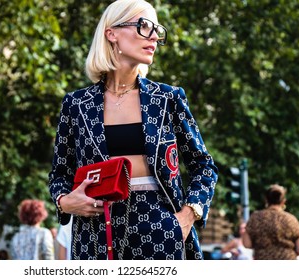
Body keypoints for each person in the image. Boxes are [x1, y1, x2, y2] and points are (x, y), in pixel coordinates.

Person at [48, 0, 218, 260]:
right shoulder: (76, 104)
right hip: (95, 231)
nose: (153, 36)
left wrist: (187, 216)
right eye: (143, 26)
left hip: (160, 228)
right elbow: (60, 173)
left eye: (157, 29)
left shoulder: (167, 98)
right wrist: (64, 201)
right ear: (111, 33)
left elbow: (204, 165)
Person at [243, 184, 299, 260]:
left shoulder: (255, 218)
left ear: (266, 199)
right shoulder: (291, 219)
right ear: (283, 201)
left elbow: (247, 244)